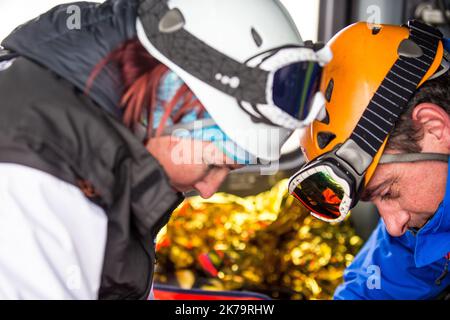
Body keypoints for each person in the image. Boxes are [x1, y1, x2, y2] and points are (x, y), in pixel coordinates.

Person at [0, 0, 331, 299]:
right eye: (215, 163)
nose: (208, 189)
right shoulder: (33, 174)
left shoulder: (98, 152)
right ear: (169, 105)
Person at [289, 20, 450, 299]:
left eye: (388, 192)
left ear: (433, 128)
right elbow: (372, 288)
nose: (393, 226)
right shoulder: (429, 215)